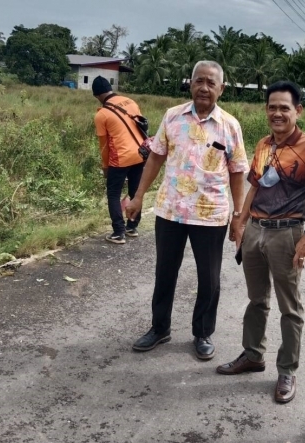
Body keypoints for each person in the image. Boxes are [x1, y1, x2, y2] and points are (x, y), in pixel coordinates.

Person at [216, 81, 305, 404]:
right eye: (272, 107)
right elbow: (254, 185)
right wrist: (239, 221)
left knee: (289, 306)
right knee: (257, 299)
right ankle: (253, 354)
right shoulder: (263, 144)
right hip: (255, 229)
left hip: (288, 234)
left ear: (298, 110)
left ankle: (287, 370)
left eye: (284, 107)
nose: (277, 113)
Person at [126, 61, 249, 360]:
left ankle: (203, 332)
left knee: (209, 278)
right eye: (199, 81)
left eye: (211, 82)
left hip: (211, 214)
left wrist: (238, 216)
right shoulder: (172, 116)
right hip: (171, 211)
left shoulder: (230, 125)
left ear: (221, 88)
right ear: (190, 83)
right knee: (165, 272)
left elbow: (237, 172)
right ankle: (159, 328)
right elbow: (155, 158)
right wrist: (138, 197)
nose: (204, 87)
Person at [93, 76, 145, 244]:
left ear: (97, 95)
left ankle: (118, 232)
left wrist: (105, 167)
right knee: (135, 191)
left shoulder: (102, 114)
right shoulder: (130, 102)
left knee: (113, 194)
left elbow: (104, 145)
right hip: (140, 154)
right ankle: (132, 227)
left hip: (120, 158)